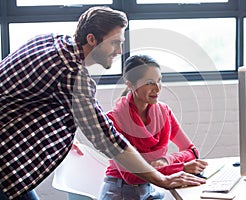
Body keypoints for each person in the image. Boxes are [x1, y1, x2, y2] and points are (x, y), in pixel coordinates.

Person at [0, 6, 205, 200]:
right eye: (114, 42)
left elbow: (29, 98)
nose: (119, 51)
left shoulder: (49, 41)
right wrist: (162, 179)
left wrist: (64, 136)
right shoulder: (73, 75)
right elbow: (108, 140)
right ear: (92, 39)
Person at [96, 55, 206, 200]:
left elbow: (191, 150)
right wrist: (180, 167)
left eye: (159, 81)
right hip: (120, 191)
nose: (157, 88)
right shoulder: (113, 120)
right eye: (149, 83)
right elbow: (130, 175)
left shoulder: (164, 111)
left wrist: (167, 160)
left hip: (149, 188)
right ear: (130, 85)